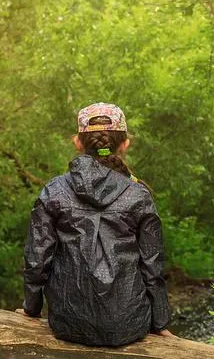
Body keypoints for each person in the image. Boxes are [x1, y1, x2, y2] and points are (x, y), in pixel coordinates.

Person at [18, 102, 173, 346]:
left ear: (77, 143)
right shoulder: (139, 195)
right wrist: (160, 323)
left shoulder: (54, 190)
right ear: (125, 144)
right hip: (129, 326)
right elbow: (152, 266)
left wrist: (31, 308)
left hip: (68, 323)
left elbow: (37, 259)